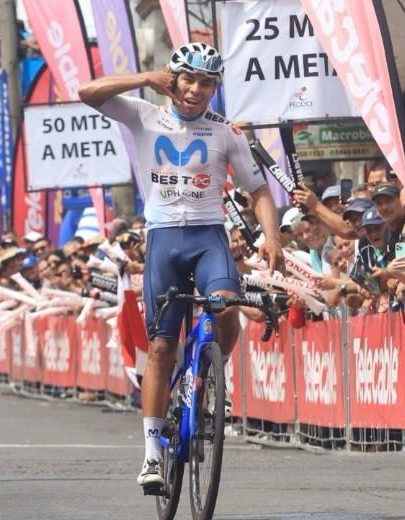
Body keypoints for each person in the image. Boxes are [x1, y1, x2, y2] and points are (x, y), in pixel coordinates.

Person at [77, 42, 282, 491]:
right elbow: (86, 92)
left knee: (226, 305)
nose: (195, 89)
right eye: (187, 79)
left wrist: (273, 236)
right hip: (163, 240)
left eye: (205, 82)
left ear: (214, 88)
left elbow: (259, 191)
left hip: (209, 236)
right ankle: (152, 455)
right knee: (160, 348)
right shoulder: (144, 115)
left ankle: (212, 367)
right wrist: (146, 78)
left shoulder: (226, 131)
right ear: (173, 78)